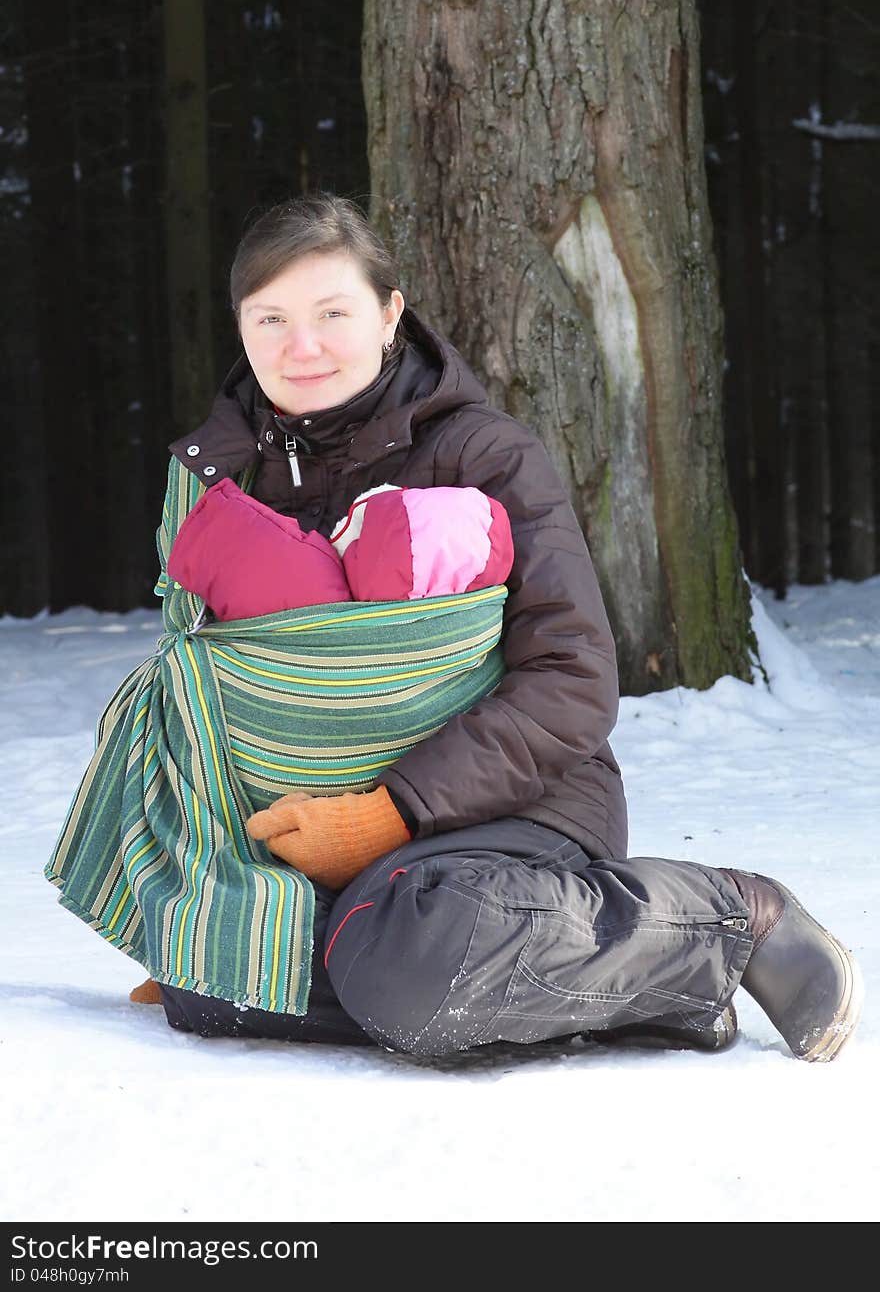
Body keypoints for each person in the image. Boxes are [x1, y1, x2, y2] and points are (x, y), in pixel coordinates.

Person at [96, 193, 866, 1060]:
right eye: (270, 316)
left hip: (512, 808)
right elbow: (206, 688)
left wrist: (393, 811)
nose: (299, 344)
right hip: (303, 831)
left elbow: (572, 681)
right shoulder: (217, 480)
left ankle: (733, 918)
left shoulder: (483, 453)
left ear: (390, 315)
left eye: (331, 312)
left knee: (407, 948)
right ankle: (621, 993)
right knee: (214, 989)